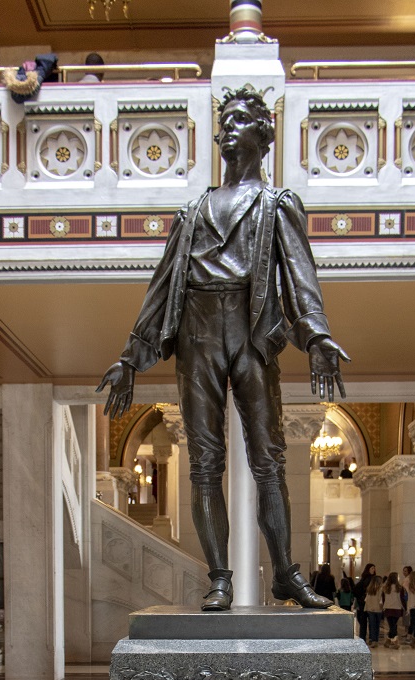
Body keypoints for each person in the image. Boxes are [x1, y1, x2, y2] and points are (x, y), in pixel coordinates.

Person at [97, 85, 350, 611]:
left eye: (239, 120)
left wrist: (316, 334)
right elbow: (162, 286)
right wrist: (130, 356)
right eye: (224, 122)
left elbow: (300, 276)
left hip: (251, 329)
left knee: (268, 459)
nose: (227, 129)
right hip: (197, 332)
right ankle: (219, 578)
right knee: (204, 462)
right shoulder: (191, 212)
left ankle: (285, 573)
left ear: (264, 135)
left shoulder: (277, 205)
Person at [382, 572, 406, 648]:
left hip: (388, 608)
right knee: (393, 625)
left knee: (392, 625)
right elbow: (402, 599)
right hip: (397, 608)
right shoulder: (400, 588)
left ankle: (388, 640)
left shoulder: (385, 588)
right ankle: (395, 642)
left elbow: (383, 599)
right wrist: (405, 608)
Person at [353, 563, 376, 642]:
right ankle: (368, 637)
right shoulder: (367, 579)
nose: (373, 570)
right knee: (365, 620)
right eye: (372, 568)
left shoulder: (368, 579)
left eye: (374, 568)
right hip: (364, 602)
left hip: (366, 602)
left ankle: (365, 636)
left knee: (366, 620)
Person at [364, 574, 383, 647]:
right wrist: (382, 608)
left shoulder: (369, 589)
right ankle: (375, 640)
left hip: (370, 609)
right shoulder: (380, 589)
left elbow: (366, 600)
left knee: (372, 625)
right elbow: (380, 600)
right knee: (377, 626)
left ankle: (372, 639)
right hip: (378, 609)